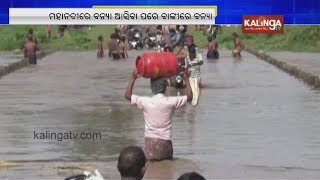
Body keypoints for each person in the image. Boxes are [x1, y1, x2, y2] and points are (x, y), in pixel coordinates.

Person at [124, 69, 193, 161]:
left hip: (150, 144)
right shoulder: (170, 102)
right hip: (166, 144)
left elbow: (127, 95)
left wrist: (133, 78)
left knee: (152, 172)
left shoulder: (145, 102)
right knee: (167, 171)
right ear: (165, 87)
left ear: (152, 88)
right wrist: (187, 79)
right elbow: (189, 96)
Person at [186, 35, 203, 106]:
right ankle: (191, 109)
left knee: (193, 91)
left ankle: (193, 108)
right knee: (189, 90)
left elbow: (201, 62)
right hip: (188, 72)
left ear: (192, 41)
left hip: (195, 72)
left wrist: (193, 64)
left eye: (188, 41)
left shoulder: (197, 49)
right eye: (186, 41)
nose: (187, 43)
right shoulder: (186, 49)